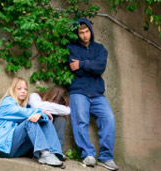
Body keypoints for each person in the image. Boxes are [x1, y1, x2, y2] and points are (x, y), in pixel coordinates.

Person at [66, 18, 119, 170]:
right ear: (77, 34)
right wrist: (91, 65)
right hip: (78, 91)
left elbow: (100, 67)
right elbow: (72, 67)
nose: (84, 35)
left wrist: (82, 64)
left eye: (87, 31)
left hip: (97, 93)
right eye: (81, 32)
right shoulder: (71, 48)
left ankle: (106, 157)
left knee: (109, 119)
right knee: (81, 120)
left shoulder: (100, 49)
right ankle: (87, 154)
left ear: (91, 31)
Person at [0, 77, 65, 168]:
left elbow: (39, 116)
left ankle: (56, 153)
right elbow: (22, 113)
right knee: (30, 122)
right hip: (2, 148)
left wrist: (40, 115)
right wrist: (40, 112)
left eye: (25, 89)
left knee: (43, 121)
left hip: (17, 149)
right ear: (13, 90)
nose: (23, 91)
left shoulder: (26, 107)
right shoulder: (7, 103)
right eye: (19, 89)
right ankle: (45, 154)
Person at [28, 86, 71, 151]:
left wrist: (50, 108)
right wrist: (58, 108)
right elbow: (37, 106)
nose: (55, 105)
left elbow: (68, 111)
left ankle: (57, 151)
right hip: (34, 138)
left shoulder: (62, 111)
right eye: (53, 102)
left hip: (51, 137)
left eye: (59, 104)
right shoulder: (35, 96)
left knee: (61, 119)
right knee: (42, 115)